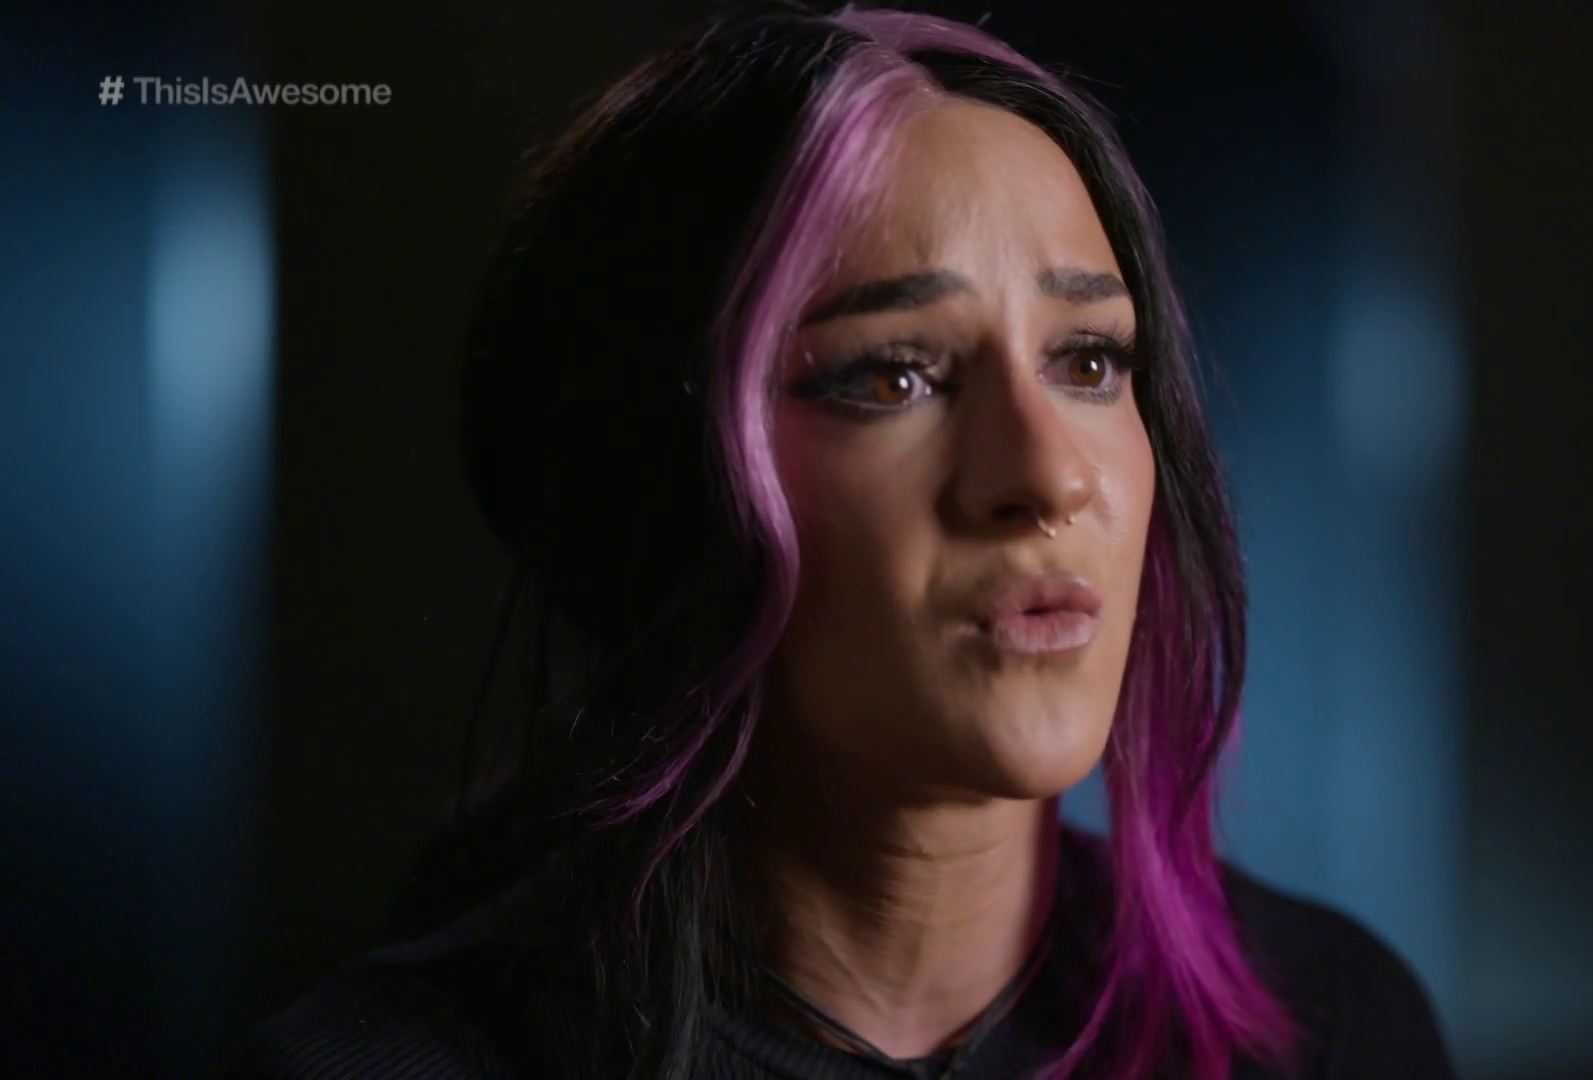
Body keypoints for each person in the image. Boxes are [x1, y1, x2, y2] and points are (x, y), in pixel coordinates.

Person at [238, 6, 1456, 1078]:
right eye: (895, 377)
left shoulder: (1329, 1030)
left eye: (1088, 362)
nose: (1047, 478)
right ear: (667, 472)